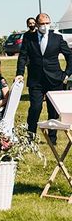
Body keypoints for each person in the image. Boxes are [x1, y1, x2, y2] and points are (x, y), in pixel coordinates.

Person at [16, 12, 72, 143]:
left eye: (47, 23)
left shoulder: (57, 38)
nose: (45, 26)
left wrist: (67, 74)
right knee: (35, 108)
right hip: (36, 80)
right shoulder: (29, 38)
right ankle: (30, 136)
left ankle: (52, 138)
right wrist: (19, 73)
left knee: (53, 111)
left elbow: (69, 56)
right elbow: (23, 56)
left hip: (55, 79)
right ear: (36, 24)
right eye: (42, 24)